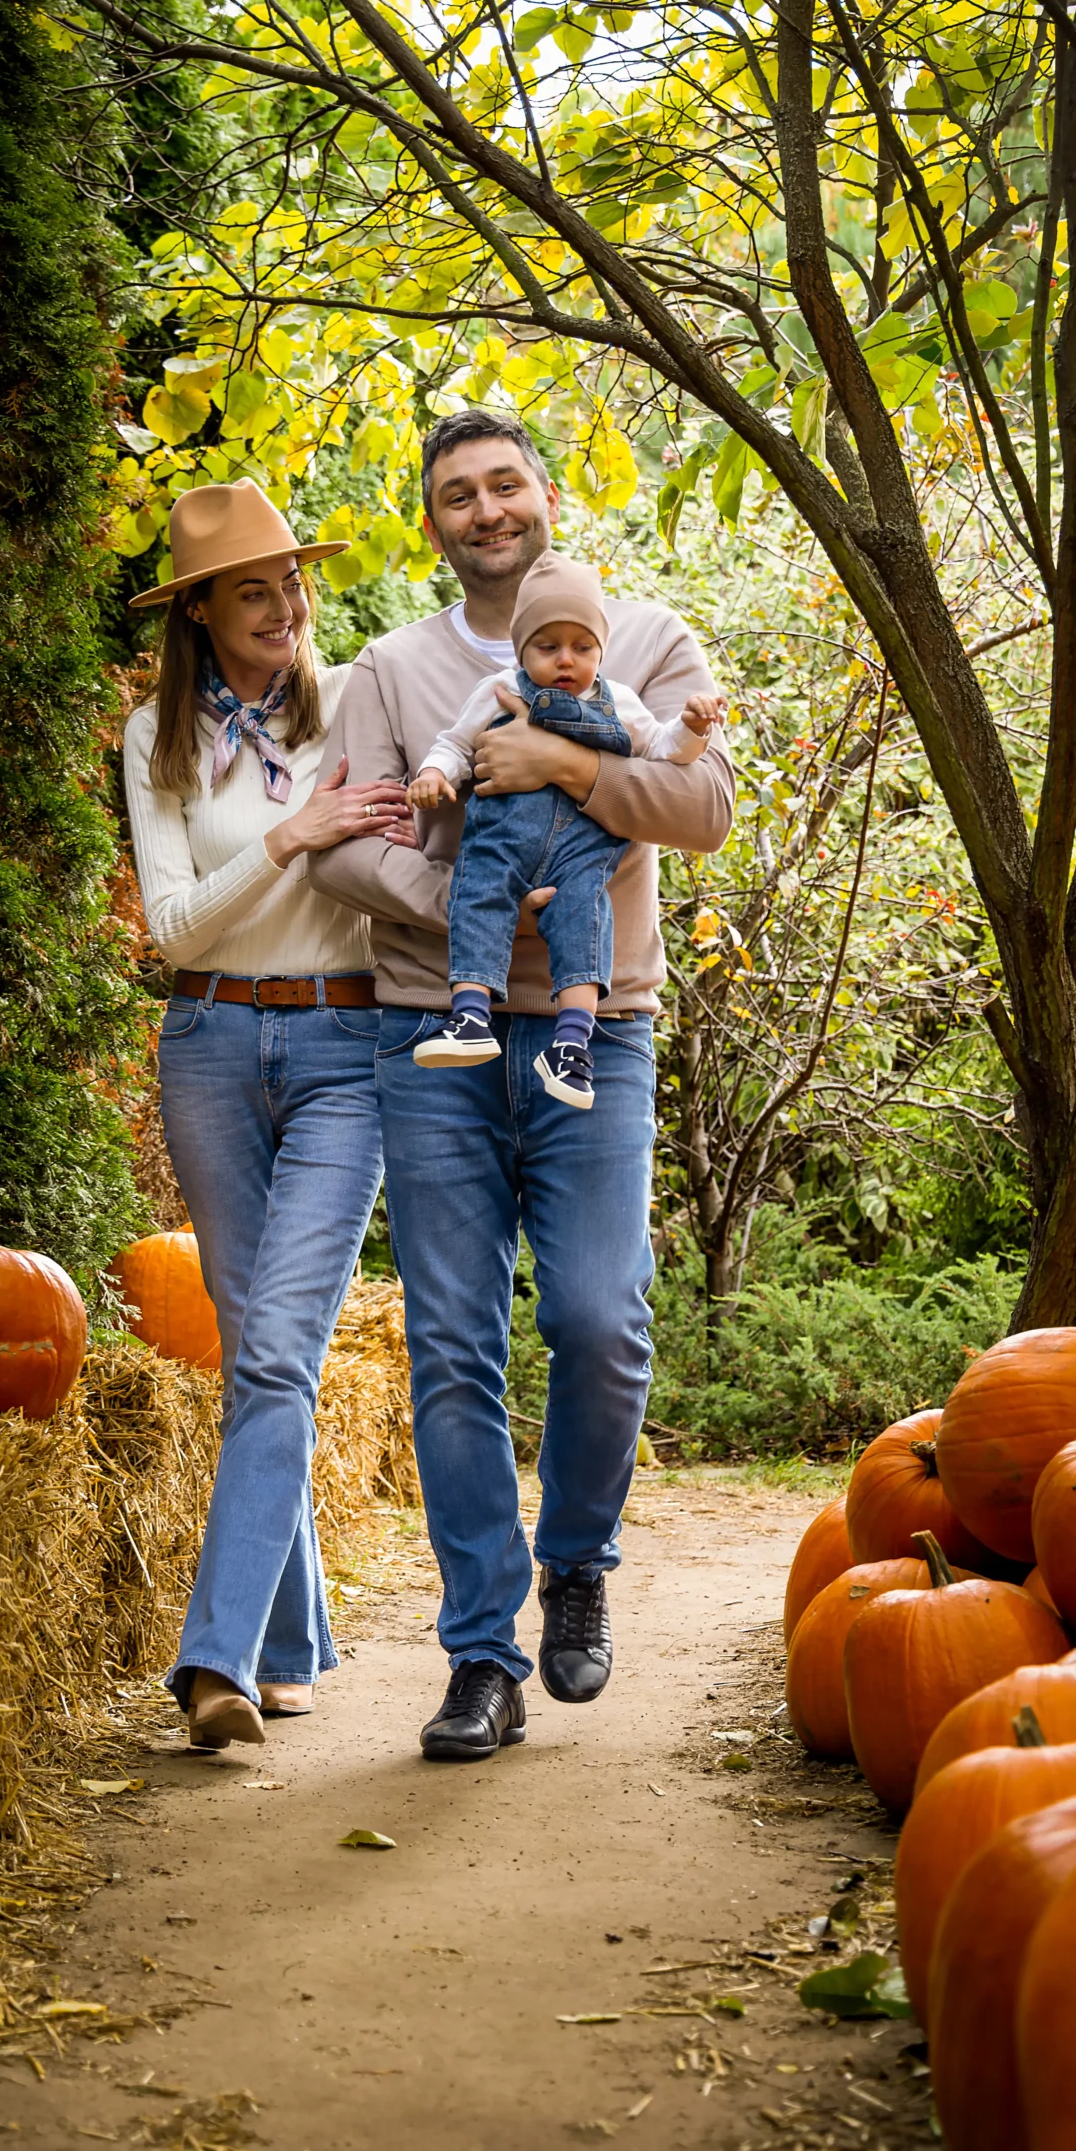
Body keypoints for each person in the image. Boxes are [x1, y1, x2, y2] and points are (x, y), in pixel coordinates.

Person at [310, 412, 735, 1761]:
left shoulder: (647, 640)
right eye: (457, 494)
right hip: (429, 1034)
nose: (486, 508)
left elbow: (706, 808)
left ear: (546, 494)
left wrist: (566, 767)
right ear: (432, 521)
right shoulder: (391, 671)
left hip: (597, 1031)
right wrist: (472, 912)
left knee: (601, 1318)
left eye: (505, 483)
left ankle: (578, 1563)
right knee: (451, 1345)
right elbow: (344, 846)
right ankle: (480, 1659)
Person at [121, 480, 410, 1752]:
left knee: (282, 1348)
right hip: (211, 1047)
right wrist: (292, 836)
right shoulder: (157, 738)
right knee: (259, 1355)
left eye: (292, 581)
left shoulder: (356, 704)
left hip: (349, 1046)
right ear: (198, 611)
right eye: (253, 590)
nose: (285, 606)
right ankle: (290, 1644)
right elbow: (175, 928)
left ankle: (214, 1659)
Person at [408, 550, 725, 1107]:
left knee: (586, 919)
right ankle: (471, 1015)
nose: (565, 660)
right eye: (547, 647)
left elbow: (663, 749)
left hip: (581, 852)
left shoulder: (618, 700)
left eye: (582, 647)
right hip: (502, 841)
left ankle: (572, 1043)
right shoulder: (499, 690)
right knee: (477, 893)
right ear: (521, 650)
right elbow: (456, 743)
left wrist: (692, 727)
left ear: (601, 650)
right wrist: (435, 773)